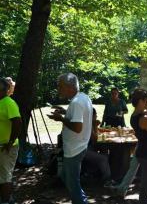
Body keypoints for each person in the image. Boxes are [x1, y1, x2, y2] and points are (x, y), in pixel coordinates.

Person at [111, 95, 147, 199]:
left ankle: (122, 189)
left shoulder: (134, 115)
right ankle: (139, 196)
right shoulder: (144, 118)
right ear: (141, 101)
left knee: (142, 171)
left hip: (143, 147)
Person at [47, 73, 93, 204]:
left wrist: (60, 118)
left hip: (75, 149)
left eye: (60, 86)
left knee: (72, 183)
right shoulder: (83, 97)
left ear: (70, 87)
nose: (58, 89)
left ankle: (81, 201)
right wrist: (64, 112)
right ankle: (82, 199)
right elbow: (77, 117)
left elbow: (78, 127)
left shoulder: (77, 102)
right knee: (67, 177)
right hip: (78, 146)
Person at [0, 78, 22, 204]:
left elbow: (17, 122)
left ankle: (6, 201)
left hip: (7, 147)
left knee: (4, 177)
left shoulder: (8, 103)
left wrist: (10, 141)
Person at [82, 108, 111, 185]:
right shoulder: (87, 125)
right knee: (103, 159)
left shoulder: (89, 123)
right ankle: (107, 179)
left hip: (88, 147)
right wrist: (95, 126)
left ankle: (96, 172)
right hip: (82, 150)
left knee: (104, 149)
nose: (96, 117)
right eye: (95, 115)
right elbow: (95, 139)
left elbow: (95, 140)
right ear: (91, 116)